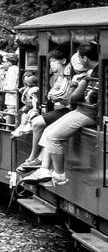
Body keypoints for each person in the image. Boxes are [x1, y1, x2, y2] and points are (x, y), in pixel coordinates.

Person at [22, 45, 100, 187]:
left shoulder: (92, 74)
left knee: (53, 137)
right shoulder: (91, 72)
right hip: (81, 110)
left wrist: (79, 82)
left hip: (88, 113)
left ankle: (59, 175)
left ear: (85, 58)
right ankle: (44, 169)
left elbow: (72, 98)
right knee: (47, 130)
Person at [15, 49, 72, 168]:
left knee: (39, 124)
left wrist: (54, 95)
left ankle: (35, 158)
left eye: (54, 61)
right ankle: (34, 157)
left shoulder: (67, 72)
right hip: (63, 108)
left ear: (64, 61)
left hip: (69, 109)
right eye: (50, 62)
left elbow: (59, 95)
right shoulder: (57, 76)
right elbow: (53, 94)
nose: (51, 65)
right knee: (37, 122)